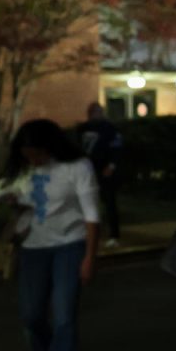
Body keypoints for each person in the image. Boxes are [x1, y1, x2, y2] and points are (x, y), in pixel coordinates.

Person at [0, 119, 99, 351]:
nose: (33, 160)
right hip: (33, 250)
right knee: (31, 317)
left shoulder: (77, 167)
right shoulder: (22, 172)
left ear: (51, 147)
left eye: (38, 154)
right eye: (27, 154)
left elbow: (92, 214)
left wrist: (90, 257)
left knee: (64, 317)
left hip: (70, 245)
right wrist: (3, 197)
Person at [76, 103, 123, 248]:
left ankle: (113, 235)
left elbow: (117, 149)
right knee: (88, 202)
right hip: (87, 170)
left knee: (109, 202)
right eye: (92, 112)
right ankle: (90, 232)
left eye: (98, 112)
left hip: (104, 170)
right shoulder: (83, 128)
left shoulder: (109, 129)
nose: (95, 115)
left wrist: (111, 165)